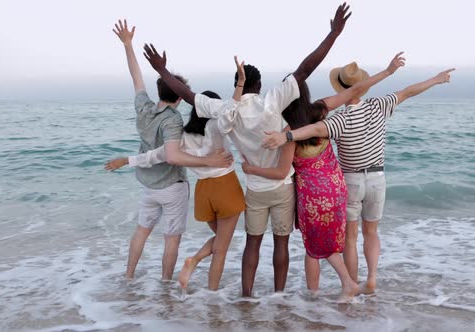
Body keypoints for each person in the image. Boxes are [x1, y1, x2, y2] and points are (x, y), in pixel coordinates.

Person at [141, 3, 352, 297]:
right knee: (281, 244)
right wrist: (333, 34)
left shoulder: (225, 109)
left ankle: (246, 297)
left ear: (237, 84)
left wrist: (162, 70)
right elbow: (305, 69)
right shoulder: (273, 102)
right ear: (260, 84)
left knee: (252, 243)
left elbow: (187, 95)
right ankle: (278, 298)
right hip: (281, 186)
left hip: (254, 188)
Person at [262, 56, 455, 292]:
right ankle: (371, 278)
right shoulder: (379, 105)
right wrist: (435, 79)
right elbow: (408, 92)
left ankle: (350, 287)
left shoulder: (339, 120)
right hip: (376, 179)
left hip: (350, 180)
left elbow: (313, 130)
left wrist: (286, 136)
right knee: (371, 233)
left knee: (349, 240)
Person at [242, 53, 406, 299]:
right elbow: (354, 92)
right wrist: (388, 71)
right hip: (338, 188)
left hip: (313, 197)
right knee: (336, 241)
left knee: (314, 247)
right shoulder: (319, 110)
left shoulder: (289, 133)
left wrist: (251, 169)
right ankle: (342, 288)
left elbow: (280, 172)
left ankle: (327, 292)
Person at [105, 57, 247, 291]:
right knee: (220, 245)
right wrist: (239, 85)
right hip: (221, 186)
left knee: (220, 239)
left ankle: (132, 277)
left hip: (201, 192)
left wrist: (127, 160)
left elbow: (157, 154)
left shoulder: (182, 133)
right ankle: (201, 285)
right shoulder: (214, 126)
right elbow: (229, 114)